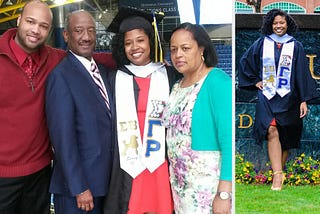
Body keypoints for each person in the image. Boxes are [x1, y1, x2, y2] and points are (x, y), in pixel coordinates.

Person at [0, 1, 114, 213]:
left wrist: (136, 61)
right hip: (3, 174)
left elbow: (88, 57)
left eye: (43, 26)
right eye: (30, 22)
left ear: (51, 31)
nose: (36, 30)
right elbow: (64, 136)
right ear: (18, 21)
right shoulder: (57, 73)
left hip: (39, 173)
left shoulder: (53, 58)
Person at [104, 7, 181, 214]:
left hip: (160, 157)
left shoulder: (170, 75)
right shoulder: (114, 78)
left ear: (151, 42)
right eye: (128, 43)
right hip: (127, 158)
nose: (134, 47)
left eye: (140, 40)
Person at [238, 8, 318, 191]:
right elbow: (245, 62)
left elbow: (301, 73)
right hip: (267, 95)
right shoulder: (262, 43)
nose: (278, 26)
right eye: (275, 23)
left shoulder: (295, 45)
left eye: (282, 23)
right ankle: (277, 177)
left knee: (285, 135)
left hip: (289, 97)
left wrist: (303, 99)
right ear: (270, 25)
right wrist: (256, 81)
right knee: (271, 129)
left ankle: (278, 172)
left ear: (287, 24)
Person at [45, 10, 114, 214]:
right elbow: (63, 139)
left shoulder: (102, 72)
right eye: (79, 30)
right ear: (66, 35)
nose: (86, 36)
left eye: (91, 30)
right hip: (78, 191)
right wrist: (79, 187)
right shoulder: (61, 76)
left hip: (104, 184)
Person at [162, 22, 232, 214]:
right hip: (180, 186)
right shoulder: (176, 87)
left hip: (208, 188)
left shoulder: (217, 81)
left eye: (185, 48)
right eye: (174, 49)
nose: (178, 55)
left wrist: (224, 194)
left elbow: (229, 142)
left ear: (202, 49)